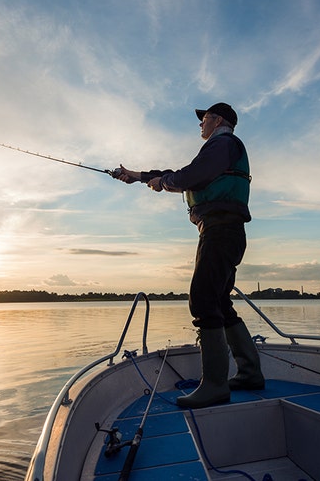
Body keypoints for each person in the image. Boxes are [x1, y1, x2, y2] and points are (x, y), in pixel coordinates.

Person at [117, 102, 264, 409]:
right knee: (220, 302)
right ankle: (249, 374)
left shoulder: (223, 143)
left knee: (202, 300)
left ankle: (214, 386)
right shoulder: (222, 149)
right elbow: (184, 175)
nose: (200, 124)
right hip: (223, 231)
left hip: (220, 231)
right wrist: (139, 176)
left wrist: (165, 182)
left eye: (204, 118)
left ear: (218, 119)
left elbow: (188, 176)